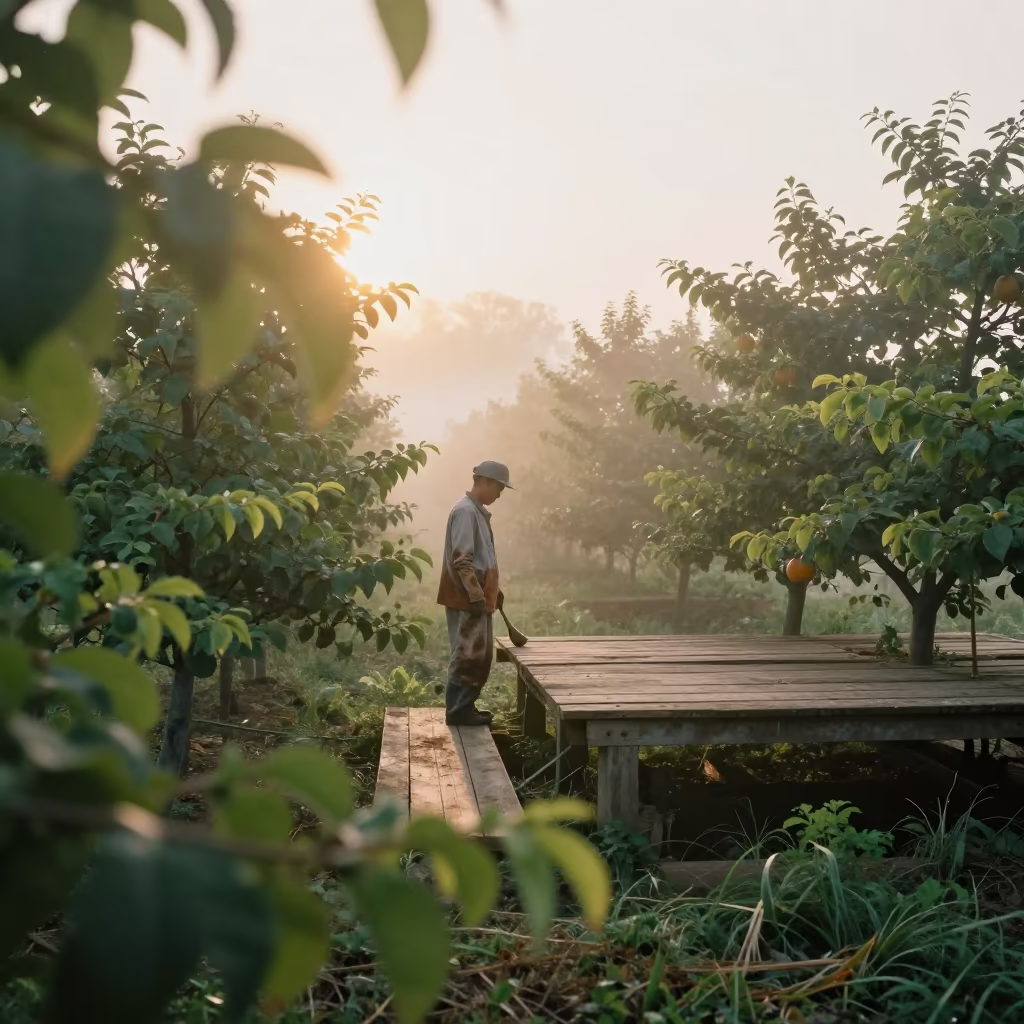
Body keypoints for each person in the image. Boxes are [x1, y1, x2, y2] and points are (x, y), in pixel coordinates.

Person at [436, 461, 512, 726]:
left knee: (478, 655)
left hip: (475, 596)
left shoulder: (476, 512)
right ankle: (458, 711)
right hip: (467, 598)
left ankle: (465, 707)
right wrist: (477, 595)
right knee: (468, 655)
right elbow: (463, 560)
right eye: (499, 488)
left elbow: (482, 558)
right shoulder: (466, 512)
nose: (500, 494)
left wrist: (493, 589)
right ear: (485, 482)